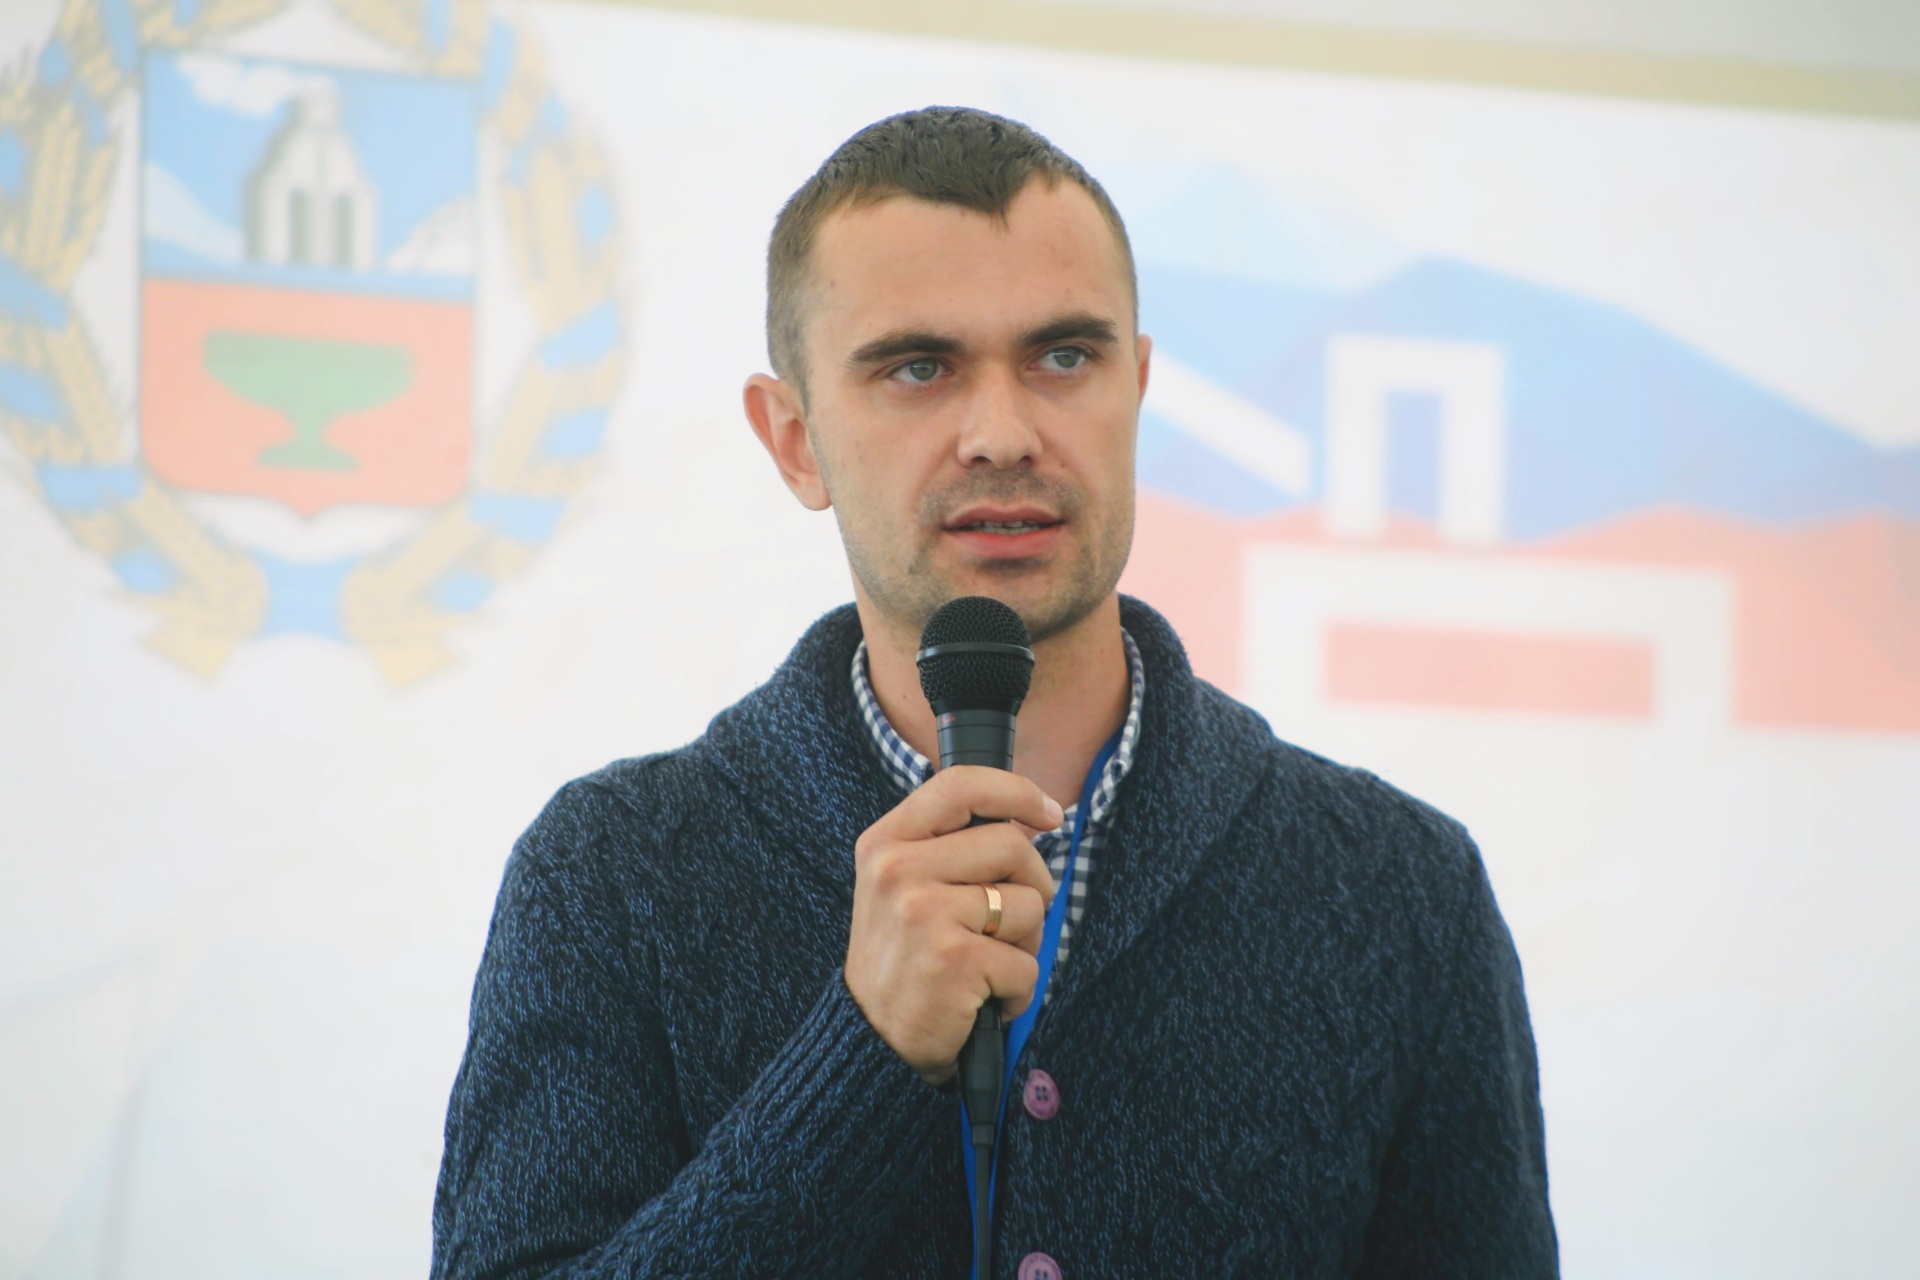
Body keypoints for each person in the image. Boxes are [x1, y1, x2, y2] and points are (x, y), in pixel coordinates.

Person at [431, 107, 1556, 1279]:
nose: (1003, 433)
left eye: (1064, 357)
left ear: (1138, 388)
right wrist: (861, 1055)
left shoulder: (1398, 888)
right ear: (796, 440)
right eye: (919, 367)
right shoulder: (610, 873)